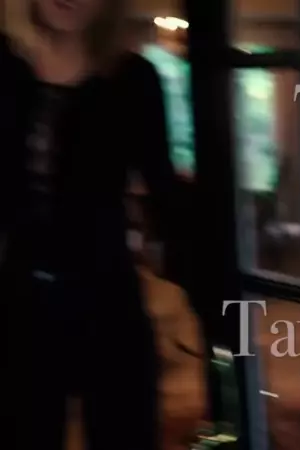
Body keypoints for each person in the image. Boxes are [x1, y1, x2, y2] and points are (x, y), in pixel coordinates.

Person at [0, 0, 186, 448]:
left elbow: (164, 192)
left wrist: (208, 294)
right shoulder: (4, 71)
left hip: (109, 302)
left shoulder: (133, 78)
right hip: (18, 305)